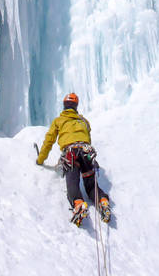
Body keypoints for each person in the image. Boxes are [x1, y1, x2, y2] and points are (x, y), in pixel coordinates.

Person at [36, 92, 111, 225]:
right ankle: (102, 201)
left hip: (71, 153)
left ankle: (78, 204)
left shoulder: (58, 120)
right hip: (87, 152)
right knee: (90, 184)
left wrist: (40, 160)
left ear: (64, 106)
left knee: (72, 182)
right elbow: (88, 137)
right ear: (76, 106)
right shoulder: (83, 121)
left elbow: (49, 141)